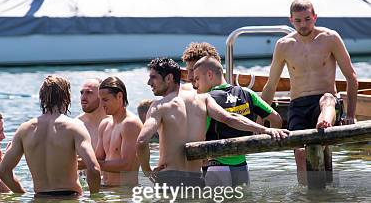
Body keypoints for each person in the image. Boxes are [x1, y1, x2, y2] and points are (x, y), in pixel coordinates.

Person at [136, 58, 289, 188]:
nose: (149, 82)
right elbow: (230, 119)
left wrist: (147, 170)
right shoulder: (203, 99)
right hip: (196, 179)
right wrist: (264, 130)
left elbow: (142, 141)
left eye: (153, 77)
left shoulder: (159, 106)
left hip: (169, 177)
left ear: (169, 78)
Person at [261, 0, 358, 183]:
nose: (303, 24)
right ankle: (308, 202)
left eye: (307, 19)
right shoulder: (284, 45)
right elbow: (270, 85)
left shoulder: (330, 38)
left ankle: (324, 123)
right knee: (300, 153)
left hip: (326, 101)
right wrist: (259, 119)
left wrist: (351, 114)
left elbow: (351, 76)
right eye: (298, 21)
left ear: (315, 17)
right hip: (298, 104)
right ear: (291, 20)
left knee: (328, 99)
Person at [0, 75, 101, 196]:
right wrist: (94, 199)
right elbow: (94, 169)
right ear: (66, 97)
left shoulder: (24, 129)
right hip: (70, 202)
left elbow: (3, 171)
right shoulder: (75, 127)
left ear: (42, 98)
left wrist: (22, 194)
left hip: (39, 200)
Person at [192, 56, 283, 186]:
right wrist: (264, 142)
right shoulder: (247, 93)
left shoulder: (206, 99)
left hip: (216, 166)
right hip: (242, 166)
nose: (196, 85)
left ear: (209, 75)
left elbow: (199, 136)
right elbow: (276, 119)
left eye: (197, 79)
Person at [95, 77, 143, 186]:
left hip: (125, 194)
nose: (101, 104)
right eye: (100, 99)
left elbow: (127, 165)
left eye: (105, 100)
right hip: (106, 192)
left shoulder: (130, 124)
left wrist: (90, 163)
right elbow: (98, 159)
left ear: (120, 96)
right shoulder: (104, 124)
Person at [76, 78, 106, 149]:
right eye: (81, 93)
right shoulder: (76, 125)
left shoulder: (114, 123)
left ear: (102, 96)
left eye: (89, 92)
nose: (83, 97)